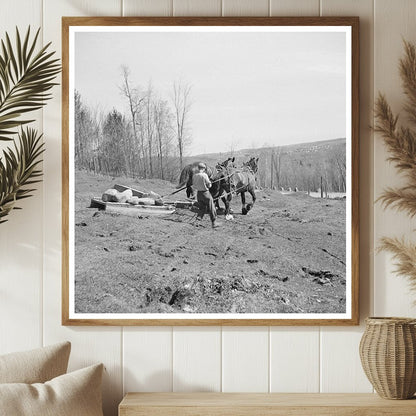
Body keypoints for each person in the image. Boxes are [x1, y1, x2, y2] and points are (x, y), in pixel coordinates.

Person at [192, 163, 219, 228]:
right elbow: (209, 185)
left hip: (198, 194)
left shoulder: (194, 176)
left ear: (198, 168)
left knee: (202, 208)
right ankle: (214, 223)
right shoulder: (204, 175)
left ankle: (197, 221)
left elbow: (194, 186)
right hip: (206, 193)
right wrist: (210, 184)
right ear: (204, 169)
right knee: (211, 208)